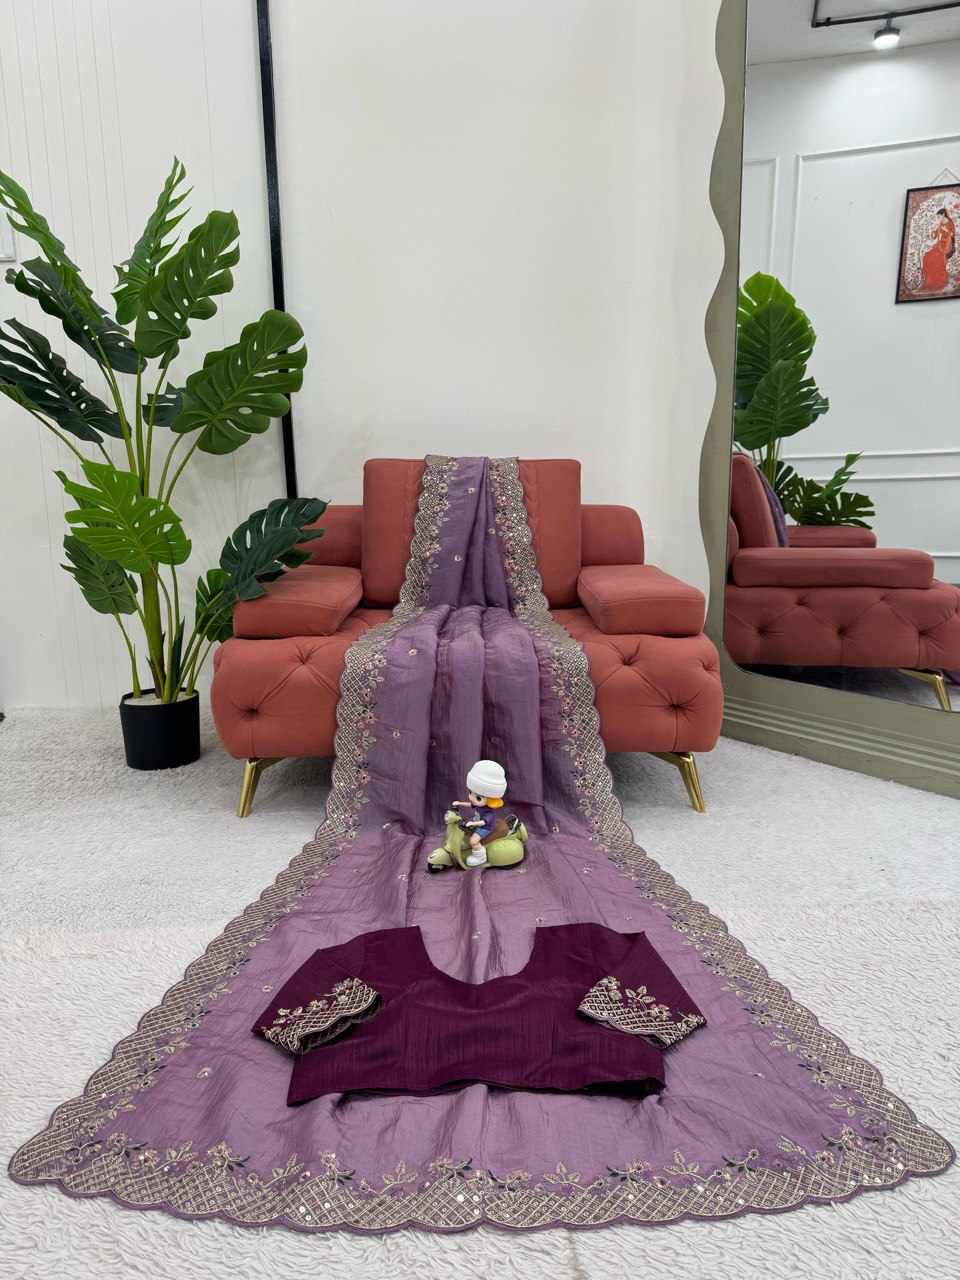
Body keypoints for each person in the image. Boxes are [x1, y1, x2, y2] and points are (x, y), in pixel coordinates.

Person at [451, 760, 507, 868]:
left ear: (491, 799)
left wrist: (472, 824)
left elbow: (483, 822)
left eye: (478, 798)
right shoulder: (479, 805)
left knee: (473, 841)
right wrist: (459, 803)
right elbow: (470, 804)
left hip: (485, 828)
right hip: (475, 822)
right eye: (470, 792)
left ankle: (480, 857)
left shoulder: (489, 813)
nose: (471, 798)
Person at [920, 206, 956, 293]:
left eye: (939, 216)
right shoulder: (940, 224)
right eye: (937, 217)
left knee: (936, 259)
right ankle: (930, 282)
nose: (938, 218)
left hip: (947, 246)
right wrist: (933, 231)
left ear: (943, 215)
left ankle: (939, 282)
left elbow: (952, 235)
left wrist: (946, 230)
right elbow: (934, 236)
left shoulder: (950, 223)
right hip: (939, 245)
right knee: (927, 256)